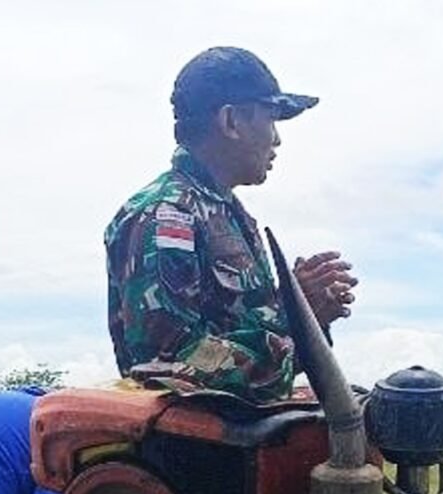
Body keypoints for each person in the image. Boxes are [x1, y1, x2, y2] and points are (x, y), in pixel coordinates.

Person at [105, 46, 357, 403]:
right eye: (271, 118)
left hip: (240, 440)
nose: (277, 138)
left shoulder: (230, 215)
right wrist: (289, 313)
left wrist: (309, 317)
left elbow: (259, 354)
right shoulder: (165, 214)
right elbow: (167, 367)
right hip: (188, 451)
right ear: (231, 122)